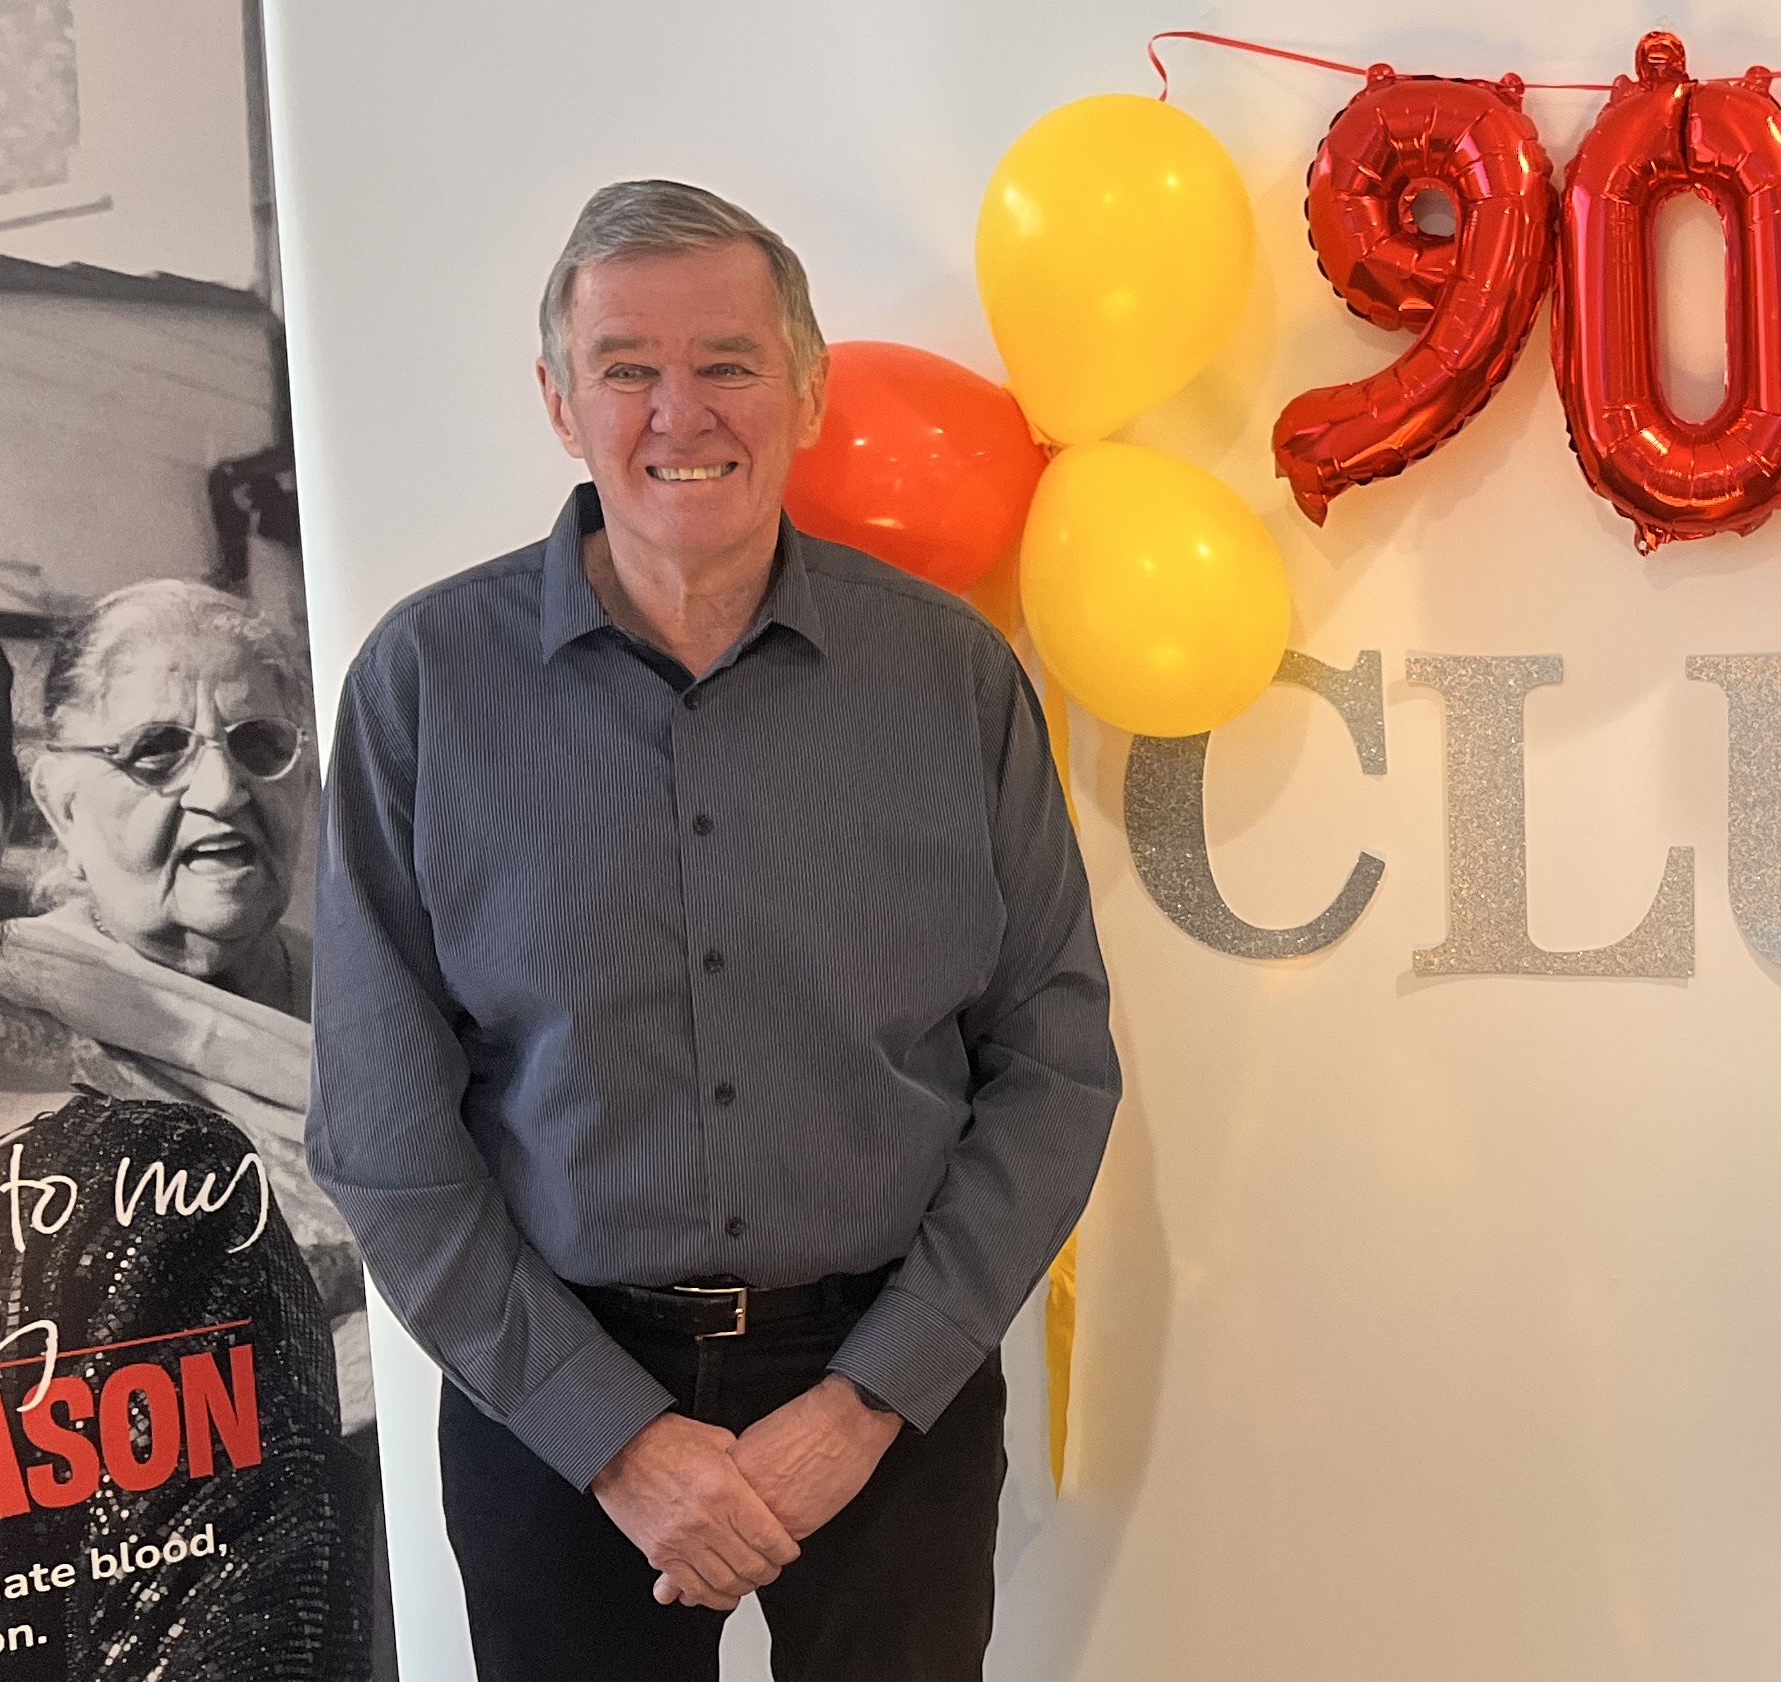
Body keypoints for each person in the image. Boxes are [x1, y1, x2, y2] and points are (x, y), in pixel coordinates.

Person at [310, 179, 1118, 1681]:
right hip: (551, 1399)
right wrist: (605, 1436)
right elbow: (377, 1125)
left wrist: (870, 1396)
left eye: (727, 361)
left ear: (805, 389)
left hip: (888, 1401)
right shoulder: (423, 687)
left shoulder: (949, 679)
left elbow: (1055, 1062)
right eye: (625, 366)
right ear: (559, 402)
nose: (679, 410)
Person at [0, 587, 377, 1679]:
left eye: (259, 743)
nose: (220, 787)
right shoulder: (25, 1026)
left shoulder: (392, 997)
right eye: (156, 748)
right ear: (57, 795)